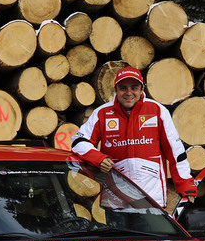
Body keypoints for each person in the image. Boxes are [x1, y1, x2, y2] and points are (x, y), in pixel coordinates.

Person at [71, 66, 196, 208]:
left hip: (151, 200)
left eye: (134, 87)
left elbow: (175, 152)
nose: (128, 93)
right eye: (123, 88)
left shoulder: (157, 111)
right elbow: (79, 141)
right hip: (116, 200)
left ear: (142, 89)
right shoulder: (102, 113)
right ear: (116, 90)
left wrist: (186, 185)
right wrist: (98, 159)